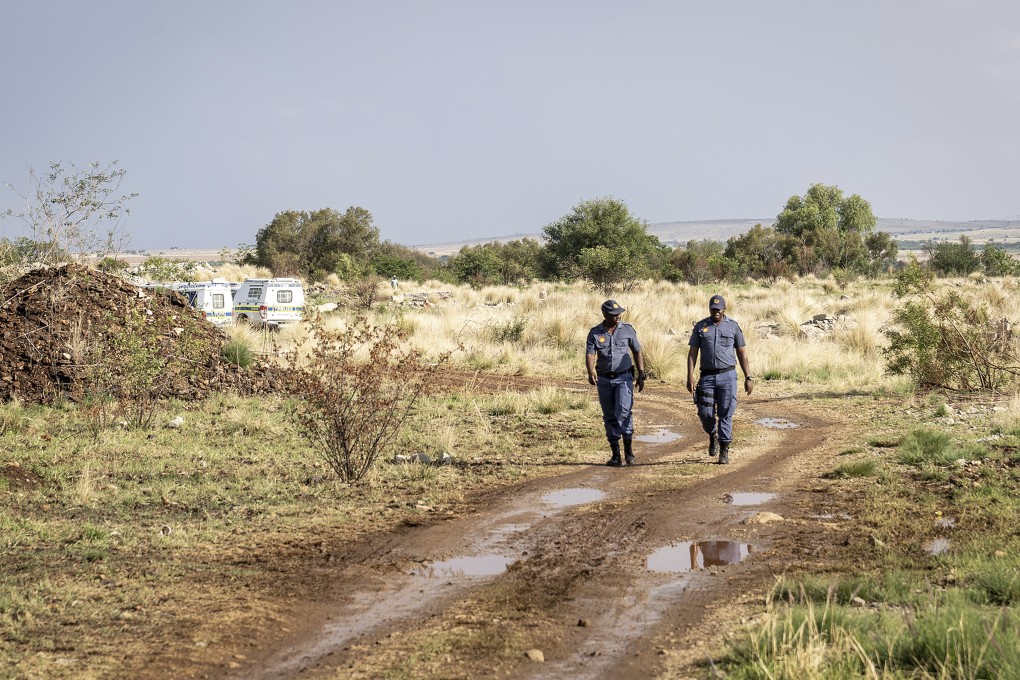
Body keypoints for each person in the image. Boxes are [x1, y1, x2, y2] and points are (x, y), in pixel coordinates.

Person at [686, 294, 753, 465]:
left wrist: (748, 377)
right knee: (704, 413)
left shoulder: (733, 327)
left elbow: (742, 352)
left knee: (725, 413)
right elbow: (693, 352)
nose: (715, 311)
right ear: (709, 309)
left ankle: (724, 450)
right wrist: (690, 376)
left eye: (718, 309)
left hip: (728, 376)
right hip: (707, 377)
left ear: (724, 309)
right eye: (713, 309)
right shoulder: (701, 327)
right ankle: (712, 434)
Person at [586, 299, 646, 467]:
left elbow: (637, 350)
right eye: (614, 314)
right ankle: (615, 455)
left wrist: (641, 374)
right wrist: (590, 371)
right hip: (604, 379)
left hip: (624, 377)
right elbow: (590, 354)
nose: (618, 316)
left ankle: (629, 451)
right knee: (609, 415)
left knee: (623, 411)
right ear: (605, 315)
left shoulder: (627, 330)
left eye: (619, 313)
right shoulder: (595, 333)